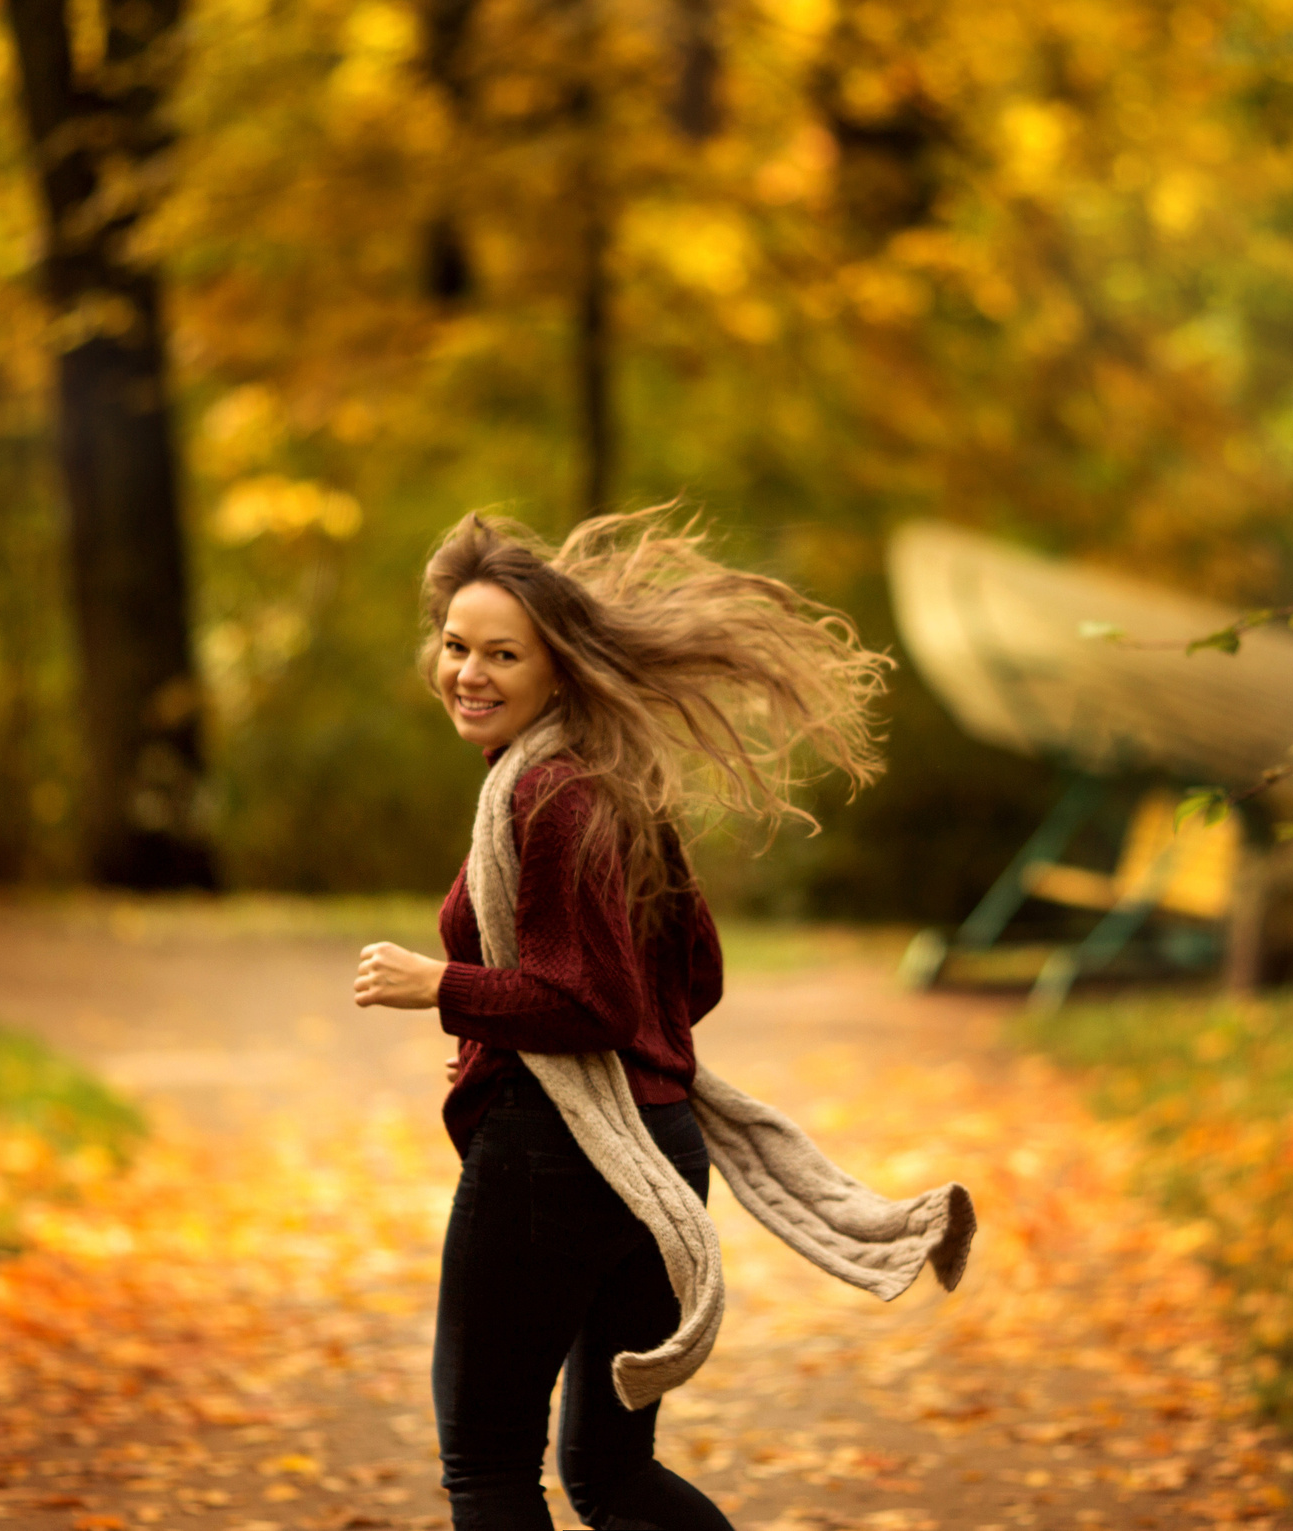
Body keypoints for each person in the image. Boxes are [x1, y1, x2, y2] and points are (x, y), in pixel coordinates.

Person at [351, 509, 968, 1531]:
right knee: (609, 1474)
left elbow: (591, 1001)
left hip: (555, 1161)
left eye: (503, 654)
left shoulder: (547, 797)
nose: (469, 672)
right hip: (660, 1149)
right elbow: (694, 978)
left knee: (488, 1464)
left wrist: (444, 985)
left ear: (559, 668)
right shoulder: (608, 785)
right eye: (456, 647)